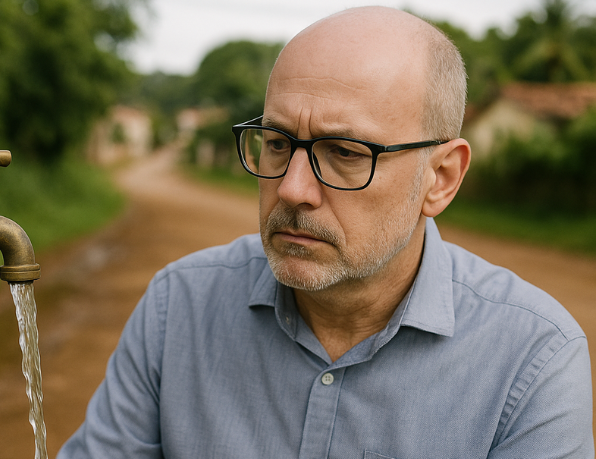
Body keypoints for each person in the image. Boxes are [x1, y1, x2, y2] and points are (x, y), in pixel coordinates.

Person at [58, 6, 593, 458]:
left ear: (441, 178)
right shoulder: (179, 307)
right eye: (277, 143)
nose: (292, 189)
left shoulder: (531, 361)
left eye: (344, 152)